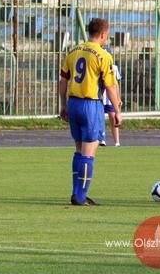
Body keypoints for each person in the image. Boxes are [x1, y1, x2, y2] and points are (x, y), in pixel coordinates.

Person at [59, 18, 122, 206]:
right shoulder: (103, 55)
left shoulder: (73, 51)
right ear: (103, 34)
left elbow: (63, 80)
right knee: (89, 151)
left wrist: (63, 105)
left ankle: (76, 192)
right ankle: (80, 196)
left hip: (73, 103)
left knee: (79, 149)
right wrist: (117, 110)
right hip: (91, 105)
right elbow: (110, 86)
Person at [100, 46, 122, 147]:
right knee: (100, 118)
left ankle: (116, 142)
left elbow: (116, 84)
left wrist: (118, 97)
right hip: (100, 96)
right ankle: (101, 139)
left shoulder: (114, 68)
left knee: (113, 117)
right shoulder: (98, 65)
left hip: (110, 98)